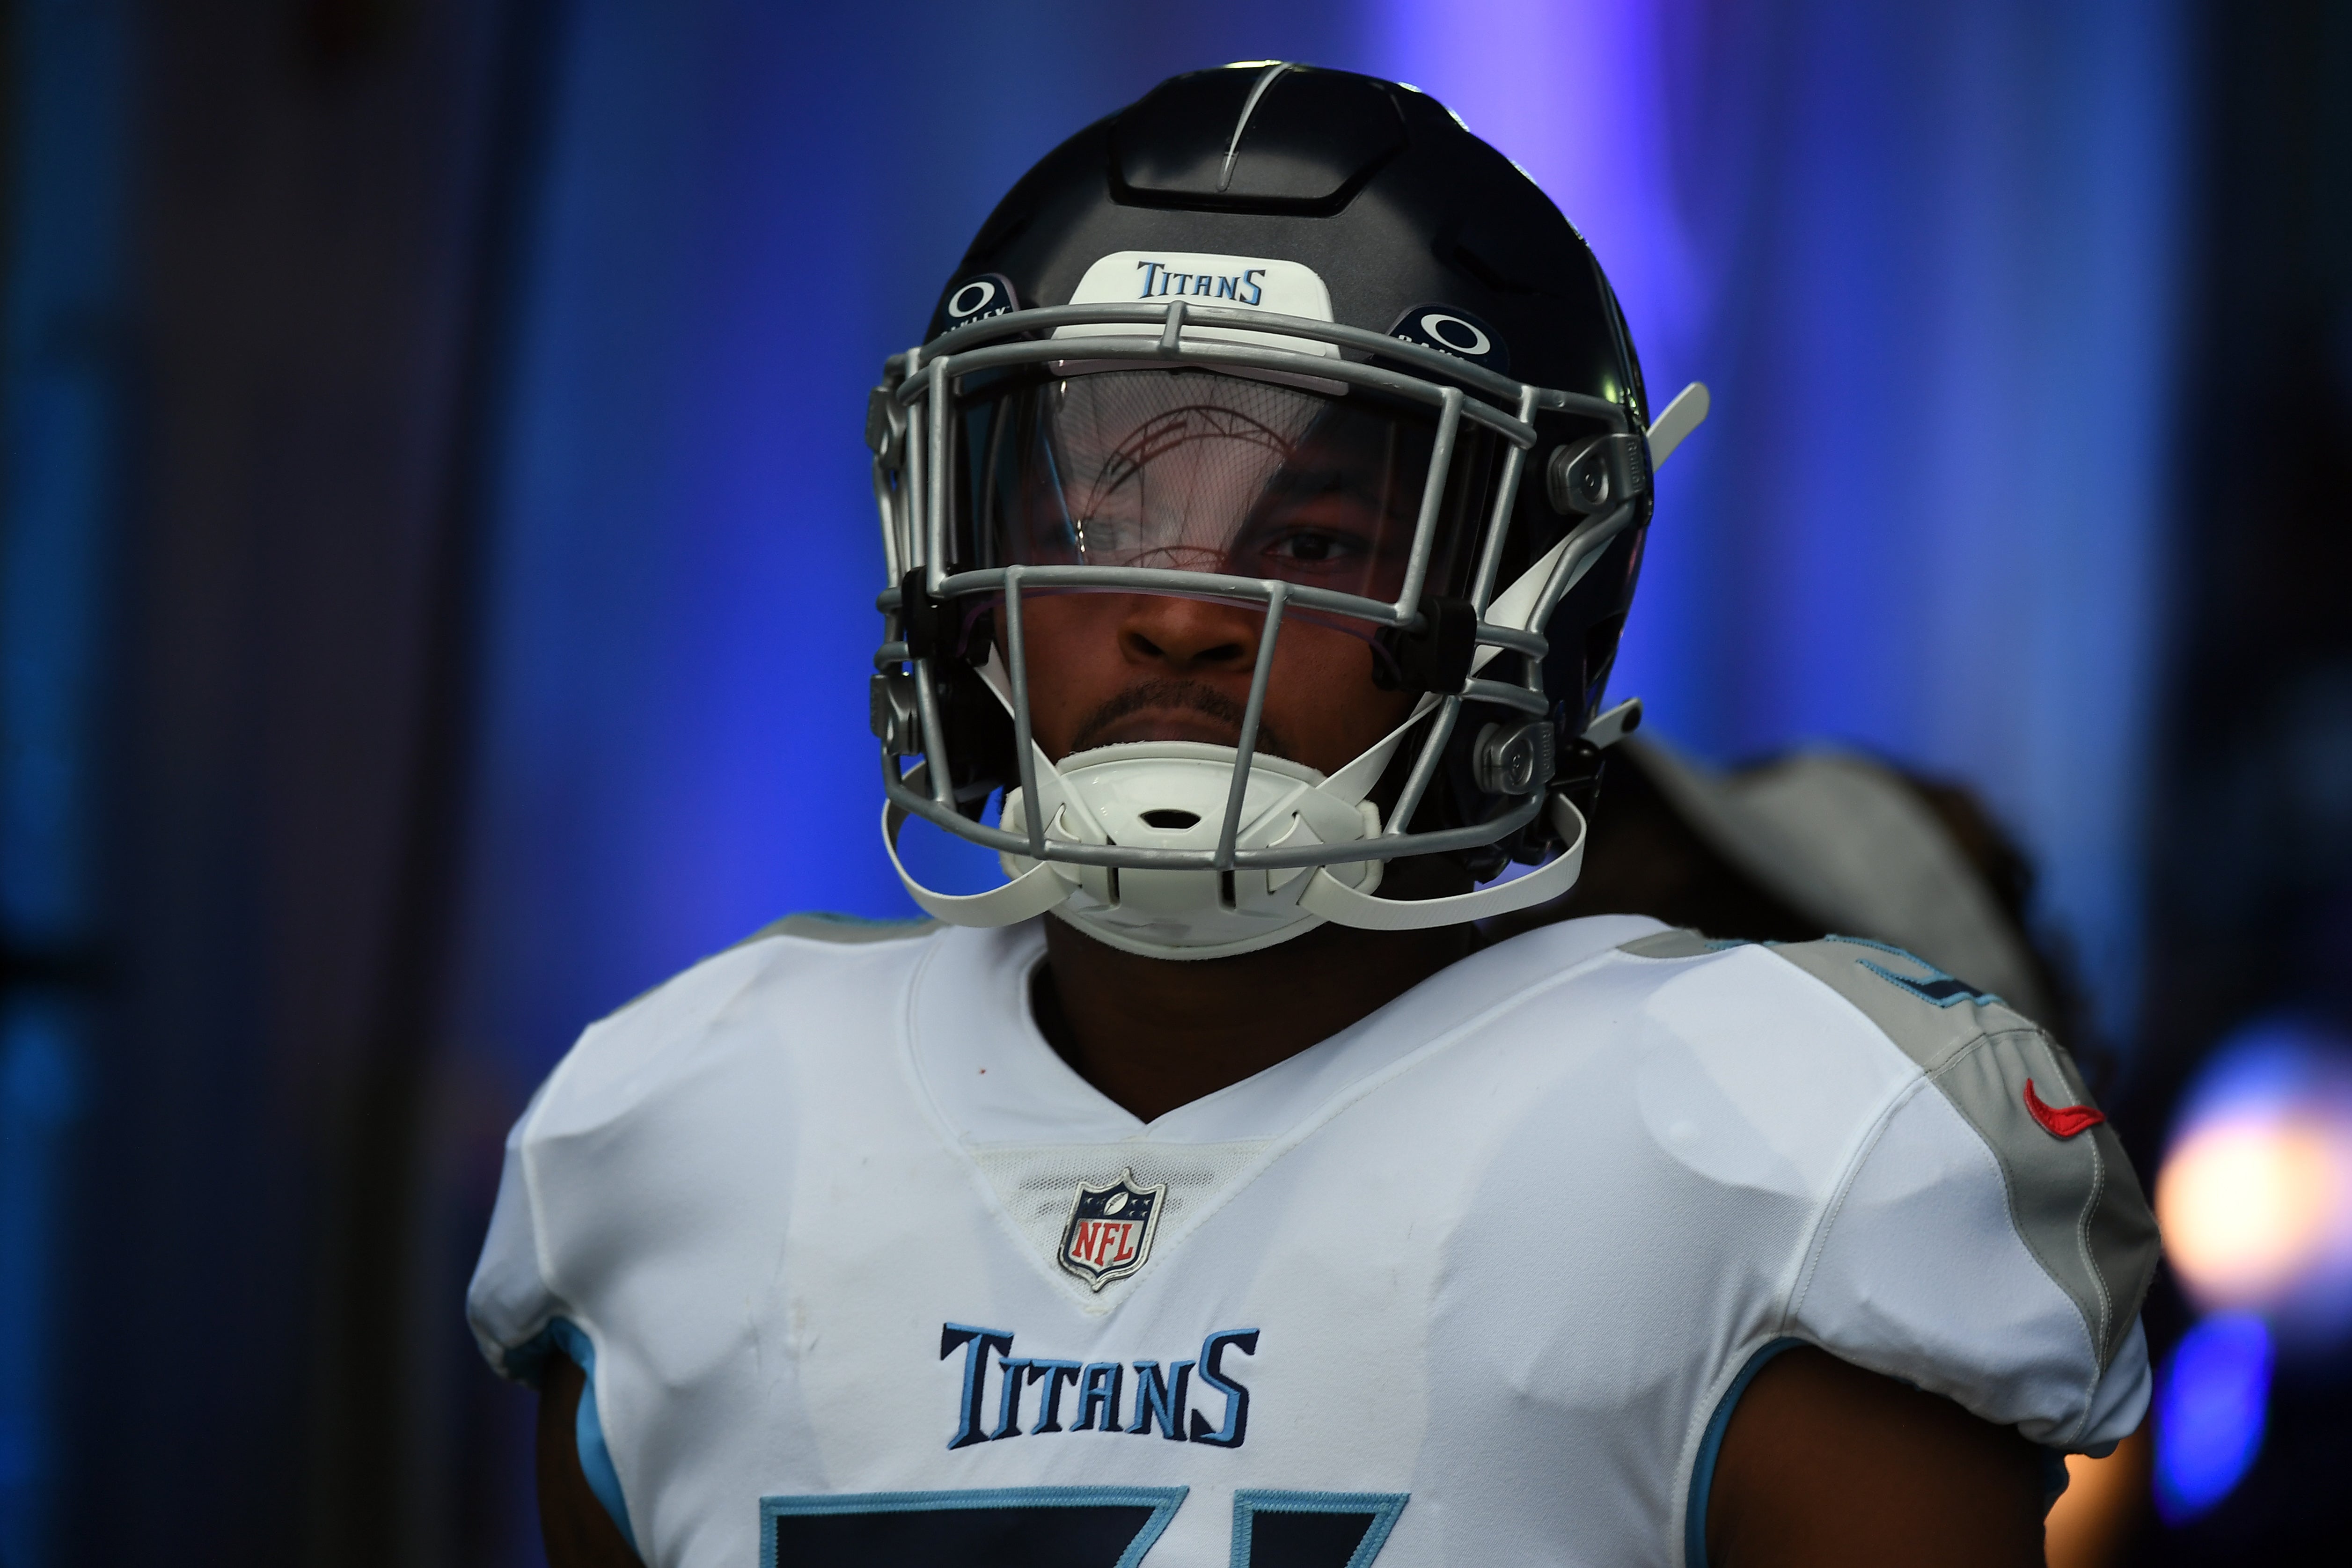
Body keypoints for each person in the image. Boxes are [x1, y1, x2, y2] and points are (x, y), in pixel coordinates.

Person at [468, 64, 2157, 1568]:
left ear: (1529, 600)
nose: (1183, 611)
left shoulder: (1769, 1153)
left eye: (1315, 537)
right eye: (1105, 516)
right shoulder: (687, 1131)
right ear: (958, 564)